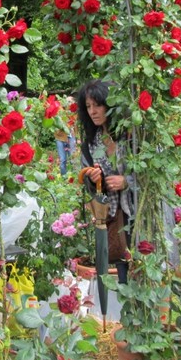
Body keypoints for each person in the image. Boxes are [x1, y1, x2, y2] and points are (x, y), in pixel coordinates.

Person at [76, 79, 132, 280]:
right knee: (124, 270)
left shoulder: (131, 137)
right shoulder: (91, 144)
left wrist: (127, 181)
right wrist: (93, 178)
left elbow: (152, 173)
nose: (93, 111)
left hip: (138, 212)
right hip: (116, 218)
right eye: (88, 106)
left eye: (97, 105)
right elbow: (90, 188)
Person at [54, 96, 77, 176]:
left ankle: (74, 177)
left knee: (73, 158)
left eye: (70, 101)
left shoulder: (74, 113)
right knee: (62, 159)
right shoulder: (60, 111)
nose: (68, 103)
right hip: (60, 137)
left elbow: (76, 125)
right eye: (66, 101)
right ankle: (64, 177)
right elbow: (56, 124)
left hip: (71, 137)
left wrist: (78, 137)